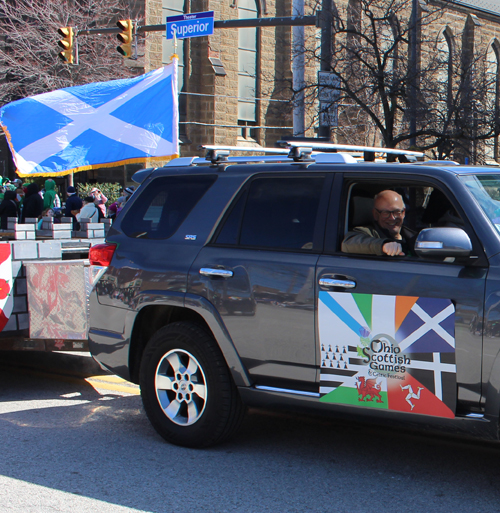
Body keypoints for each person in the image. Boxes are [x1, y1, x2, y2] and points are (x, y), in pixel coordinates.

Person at [342, 190, 416, 257]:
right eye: (385, 213)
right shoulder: (367, 233)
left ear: (403, 213)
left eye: (397, 212)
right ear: (375, 214)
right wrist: (383, 245)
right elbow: (348, 243)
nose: (392, 218)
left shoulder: (412, 236)